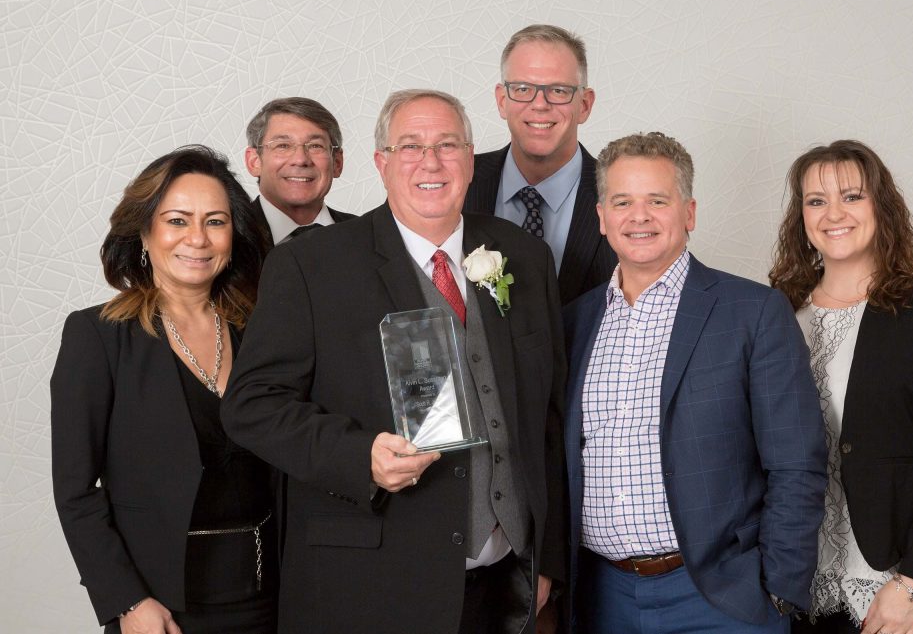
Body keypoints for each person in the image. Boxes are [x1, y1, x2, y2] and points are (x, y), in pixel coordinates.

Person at [222, 89, 566, 634]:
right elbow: (251, 407)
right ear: (381, 163)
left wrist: (548, 557)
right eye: (410, 146)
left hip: (506, 582)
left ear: (470, 160)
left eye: (447, 145)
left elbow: (549, 415)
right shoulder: (312, 265)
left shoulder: (522, 255)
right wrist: (360, 456)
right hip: (373, 584)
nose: (431, 162)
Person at [563, 132, 826, 633]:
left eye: (657, 201)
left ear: (689, 213)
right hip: (602, 600)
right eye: (623, 202)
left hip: (722, 597)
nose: (638, 217)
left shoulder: (752, 312)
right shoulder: (573, 323)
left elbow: (798, 463)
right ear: (602, 217)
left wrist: (778, 588)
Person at [51, 145, 275, 633]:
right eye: (177, 220)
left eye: (215, 221)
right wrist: (127, 602)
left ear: (233, 236)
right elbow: (75, 493)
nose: (197, 238)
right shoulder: (98, 337)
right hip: (162, 608)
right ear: (145, 235)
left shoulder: (261, 331)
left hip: (271, 598)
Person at [768, 140, 913, 634]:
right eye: (815, 201)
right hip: (792, 578)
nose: (832, 214)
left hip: (892, 581)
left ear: (881, 207)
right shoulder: (773, 312)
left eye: (852, 196)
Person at [465, 24, 616, 305]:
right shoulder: (457, 182)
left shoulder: (620, 197)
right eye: (523, 88)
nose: (540, 104)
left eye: (558, 90)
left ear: (584, 105)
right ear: (502, 101)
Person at [244, 97, 356, 245]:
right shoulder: (230, 237)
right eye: (283, 145)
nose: (301, 159)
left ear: (337, 162)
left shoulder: (368, 236)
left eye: (315, 146)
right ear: (254, 161)